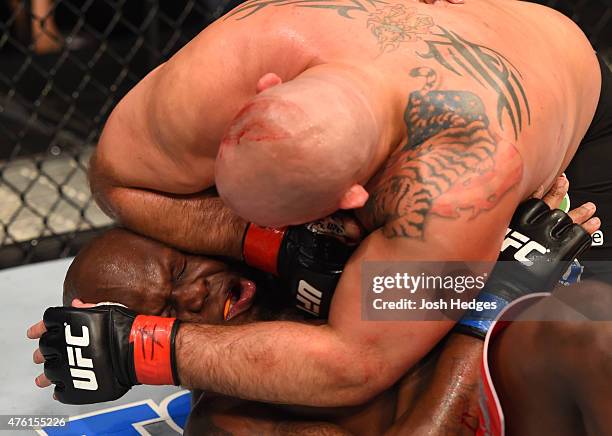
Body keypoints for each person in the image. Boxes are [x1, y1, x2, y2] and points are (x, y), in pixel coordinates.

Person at [44, 0, 610, 409]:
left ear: (356, 198)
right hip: (446, 66)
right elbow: (118, 182)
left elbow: (354, 365)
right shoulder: (246, 47)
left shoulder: (458, 184)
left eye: (282, 221)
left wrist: (138, 351)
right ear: (265, 88)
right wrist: (265, 240)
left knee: (584, 329)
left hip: (573, 123)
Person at [31, 180, 605, 435]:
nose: (192, 296)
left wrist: (507, 238)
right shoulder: (231, 422)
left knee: (588, 314)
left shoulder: (321, 273)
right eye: (166, 315)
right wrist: (490, 299)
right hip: (503, 414)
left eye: (182, 271)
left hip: (548, 391)